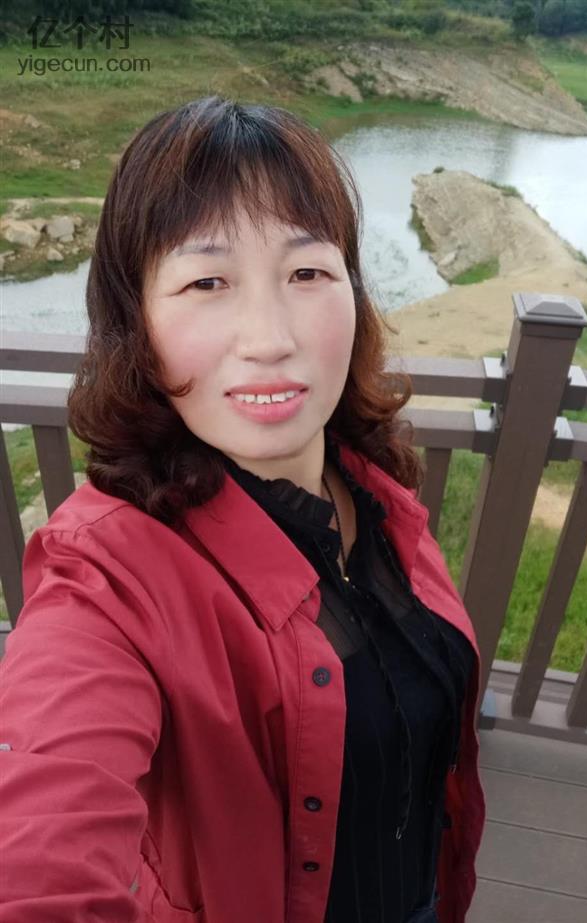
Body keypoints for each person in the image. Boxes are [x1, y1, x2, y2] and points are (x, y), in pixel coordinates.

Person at [0, 96, 486, 923]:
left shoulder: (375, 488)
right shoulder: (109, 574)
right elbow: (42, 847)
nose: (269, 337)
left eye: (307, 273)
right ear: (135, 322)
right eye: (207, 282)